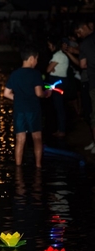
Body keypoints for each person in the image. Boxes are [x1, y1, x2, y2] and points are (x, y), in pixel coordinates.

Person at [3, 45, 51, 168]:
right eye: (36, 59)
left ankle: (18, 168)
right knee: (37, 138)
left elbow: (6, 93)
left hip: (19, 110)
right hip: (33, 109)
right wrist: (47, 93)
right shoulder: (35, 74)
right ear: (31, 58)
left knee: (20, 139)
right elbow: (39, 93)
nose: (37, 62)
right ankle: (38, 166)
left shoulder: (15, 74)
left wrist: (19, 98)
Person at [74, 20, 95, 152]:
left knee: (93, 115)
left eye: (78, 32)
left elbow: (82, 65)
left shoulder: (85, 43)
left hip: (92, 82)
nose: (78, 35)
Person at [46, 37, 70, 138]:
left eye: (49, 45)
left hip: (57, 82)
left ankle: (62, 130)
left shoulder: (58, 55)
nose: (48, 47)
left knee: (59, 107)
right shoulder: (60, 55)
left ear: (54, 45)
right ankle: (60, 129)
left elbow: (48, 69)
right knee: (58, 106)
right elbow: (51, 69)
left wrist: (50, 68)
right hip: (58, 81)